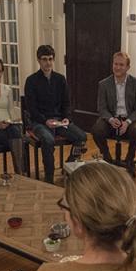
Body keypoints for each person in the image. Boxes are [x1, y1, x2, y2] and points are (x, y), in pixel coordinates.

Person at [24, 45, 87, 184]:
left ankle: (69, 165)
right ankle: (49, 177)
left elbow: (66, 103)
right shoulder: (31, 81)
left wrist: (66, 118)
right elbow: (32, 109)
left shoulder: (60, 79)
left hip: (59, 121)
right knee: (48, 140)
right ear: (38, 60)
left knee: (81, 137)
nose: (48, 63)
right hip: (39, 122)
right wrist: (45, 121)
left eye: (50, 59)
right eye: (44, 59)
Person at [90, 51, 136, 176]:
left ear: (127, 67)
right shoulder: (104, 84)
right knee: (97, 130)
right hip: (111, 118)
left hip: (129, 119)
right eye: (115, 64)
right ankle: (107, 157)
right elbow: (101, 108)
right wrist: (110, 119)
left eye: (121, 65)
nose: (118, 67)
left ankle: (129, 159)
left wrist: (128, 122)